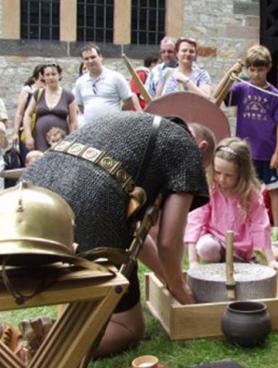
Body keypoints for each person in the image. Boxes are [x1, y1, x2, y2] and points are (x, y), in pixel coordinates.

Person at [22, 111, 209, 355]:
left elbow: (136, 235)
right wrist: (180, 290)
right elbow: (168, 240)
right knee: (129, 327)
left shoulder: (134, 124)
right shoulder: (187, 149)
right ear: (201, 149)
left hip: (33, 194)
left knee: (79, 298)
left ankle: (54, 328)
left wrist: (167, 279)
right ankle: (45, 347)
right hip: (91, 203)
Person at [184, 137, 278, 271]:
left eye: (229, 175)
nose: (221, 179)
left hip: (241, 248)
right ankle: (216, 265)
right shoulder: (209, 189)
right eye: (218, 172)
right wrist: (193, 262)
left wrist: (271, 260)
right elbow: (195, 221)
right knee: (206, 247)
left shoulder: (251, 194)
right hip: (215, 242)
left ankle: (243, 261)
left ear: (242, 174)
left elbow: (260, 225)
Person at [228, 44, 278, 241]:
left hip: (268, 150)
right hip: (246, 152)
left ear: (268, 68)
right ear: (247, 69)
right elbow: (222, 96)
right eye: (252, 69)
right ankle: (243, 223)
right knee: (244, 188)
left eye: (260, 69)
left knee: (274, 189)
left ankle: (276, 227)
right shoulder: (240, 88)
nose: (256, 73)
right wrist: (231, 74)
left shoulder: (275, 94)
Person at [74, 43, 139, 125]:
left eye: (93, 57)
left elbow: (129, 100)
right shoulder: (80, 82)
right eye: (86, 59)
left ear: (100, 57)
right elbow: (80, 106)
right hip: (90, 129)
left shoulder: (116, 77)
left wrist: (118, 116)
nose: (90, 61)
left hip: (112, 128)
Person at [23, 64, 78, 151]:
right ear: (43, 77)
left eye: (53, 74)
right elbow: (27, 115)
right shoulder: (38, 94)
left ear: (59, 75)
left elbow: (73, 121)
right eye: (47, 75)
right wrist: (28, 136)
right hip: (40, 136)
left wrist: (71, 139)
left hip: (61, 137)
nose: (51, 77)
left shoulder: (68, 96)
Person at [12, 64, 44, 161]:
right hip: (27, 131)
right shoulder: (27, 91)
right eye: (41, 80)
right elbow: (19, 113)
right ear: (35, 79)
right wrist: (15, 133)